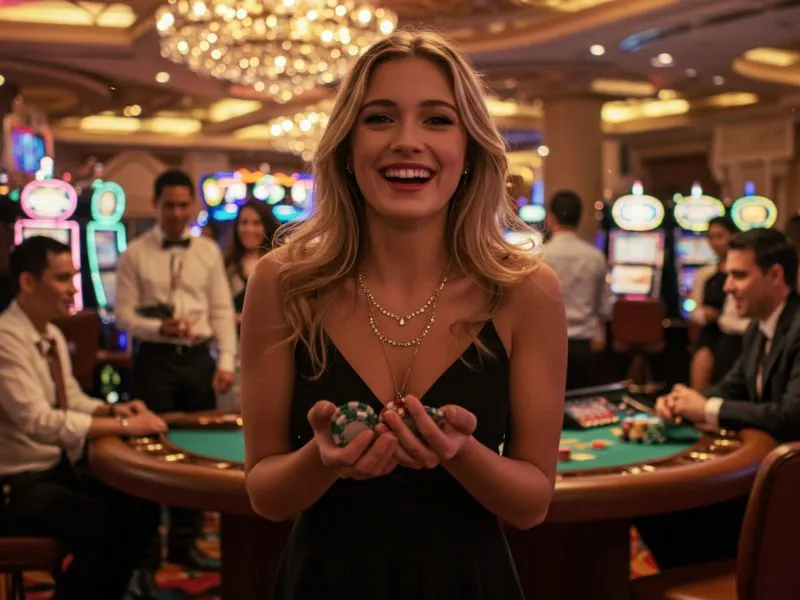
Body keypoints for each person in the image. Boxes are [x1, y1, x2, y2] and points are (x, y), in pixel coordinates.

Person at [240, 29, 567, 600]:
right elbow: (265, 495)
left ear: (469, 149)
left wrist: (460, 455)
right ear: (346, 145)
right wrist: (323, 459)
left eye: (438, 120)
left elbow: (532, 503)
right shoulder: (281, 282)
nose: (407, 141)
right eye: (380, 118)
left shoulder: (528, 291)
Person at [0, 236, 167, 600]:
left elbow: (69, 399)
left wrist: (113, 409)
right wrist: (125, 426)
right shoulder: (5, 340)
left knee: (140, 505)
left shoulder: (50, 333)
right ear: (28, 282)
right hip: (14, 488)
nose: (74, 288)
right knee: (103, 526)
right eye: (62, 278)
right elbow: (39, 421)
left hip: (54, 472)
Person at [638, 228, 800, 570]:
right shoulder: (759, 326)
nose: (727, 287)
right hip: (765, 480)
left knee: (665, 513)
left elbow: (791, 415)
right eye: (727, 276)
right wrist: (686, 400)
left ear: (775, 275)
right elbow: (732, 386)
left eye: (739, 276)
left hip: (788, 496)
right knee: (657, 509)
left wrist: (707, 408)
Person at [116, 169, 237, 572]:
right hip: (155, 359)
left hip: (198, 356)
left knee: (197, 452)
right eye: (169, 205)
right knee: (152, 450)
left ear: (193, 206)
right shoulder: (134, 253)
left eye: (184, 204)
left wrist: (225, 361)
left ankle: (186, 544)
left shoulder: (208, 251)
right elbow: (123, 316)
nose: (177, 212)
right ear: (156, 205)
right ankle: (147, 548)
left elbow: (221, 310)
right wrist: (158, 327)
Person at [543, 190, 612, 389]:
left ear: (551, 217)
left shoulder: (541, 255)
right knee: (583, 406)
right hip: (585, 343)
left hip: (549, 342)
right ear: (580, 217)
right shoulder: (595, 256)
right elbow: (605, 308)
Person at [687, 216, 747, 390]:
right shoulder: (705, 274)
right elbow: (693, 309)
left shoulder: (747, 271)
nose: (715, 242)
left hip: (739, 338)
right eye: (710, 237)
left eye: (720, 236)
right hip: (710, 336)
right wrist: (703, 315)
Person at [225, 200, 281, 316]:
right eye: (244, 223)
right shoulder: (227, 264)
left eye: (256, 223)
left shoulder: (278, 262)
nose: (249, 229)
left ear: (266, 227)